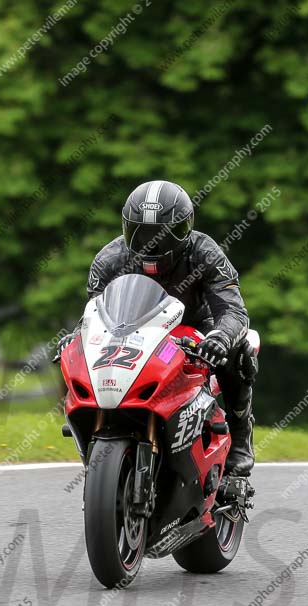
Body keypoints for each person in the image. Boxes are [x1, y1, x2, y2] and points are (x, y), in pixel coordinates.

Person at [59, 180, 258, 477]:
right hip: (132, 331)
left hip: (196, 328)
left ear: (185, 228)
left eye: (166, 232)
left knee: (240, 351)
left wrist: (219, 337)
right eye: (140, 232)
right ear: (126, 228)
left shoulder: (206, 253)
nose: (153, 242)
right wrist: (77, 337)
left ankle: (240, 436)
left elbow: (233, 310)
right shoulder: (109, 259)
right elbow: (94, 314)